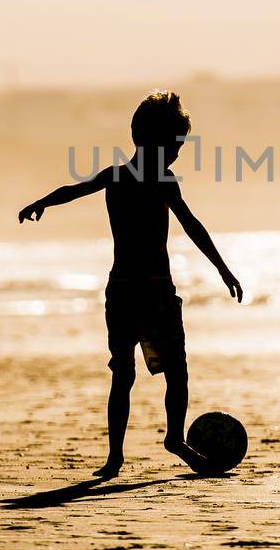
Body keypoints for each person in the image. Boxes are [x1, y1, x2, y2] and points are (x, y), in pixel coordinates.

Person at [18, 91, 242, 478]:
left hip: (121, 288)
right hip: (154, 289)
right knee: (175, 370)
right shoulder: (161, 180)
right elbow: (192, 226)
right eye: (175, 145)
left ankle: (115, 458)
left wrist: (40, 203)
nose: (177, 153)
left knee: (123, 372)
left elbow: (73, 189)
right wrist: (222, 269)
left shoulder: (117, 175)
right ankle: (171, 438)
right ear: (154, 142)